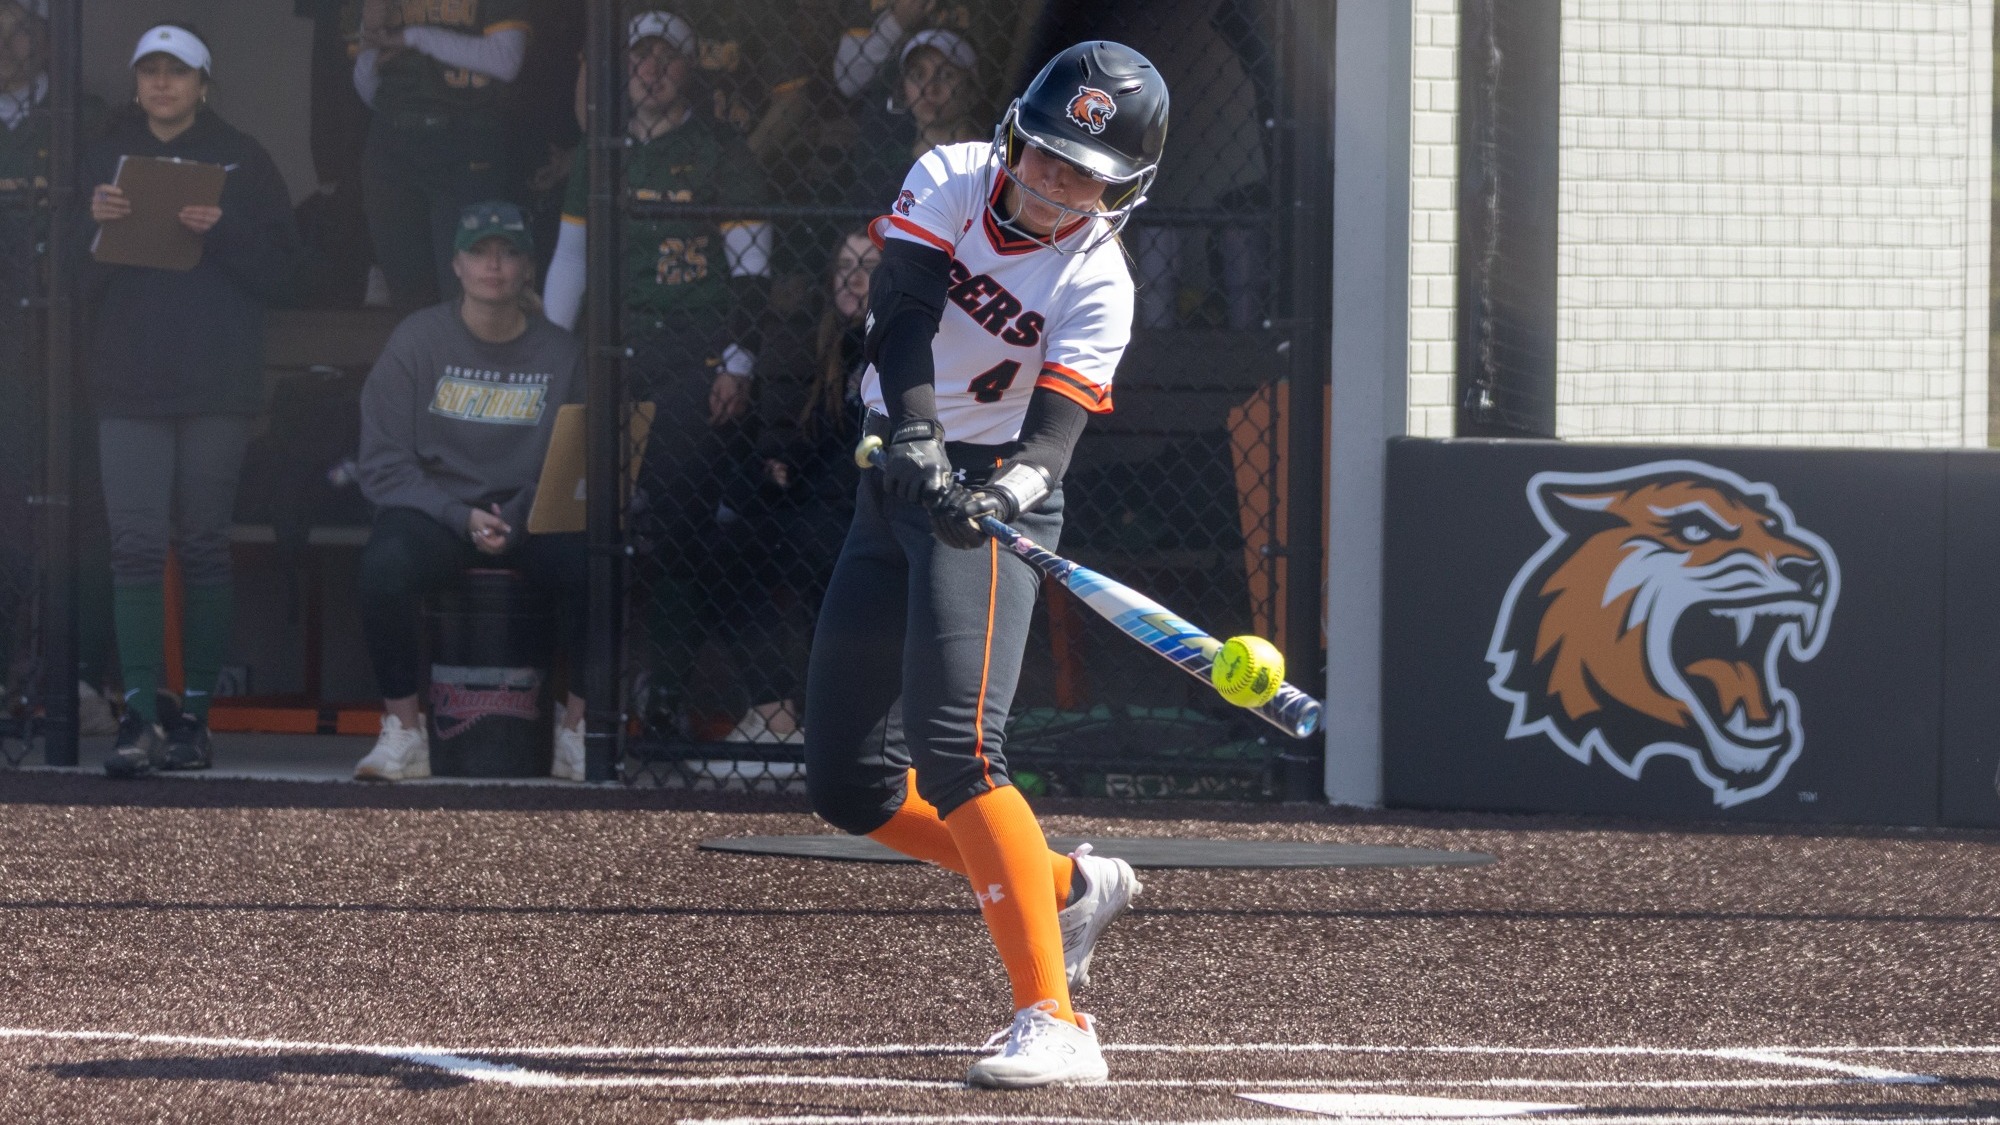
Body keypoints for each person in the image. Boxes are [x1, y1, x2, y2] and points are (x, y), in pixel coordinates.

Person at [801, 41, 1167, 1088]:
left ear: (1119, 188)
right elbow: (902, 317)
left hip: (994, 495)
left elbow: (1052, 439)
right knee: (850, 784)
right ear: (1014, 138)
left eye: (1080, 174)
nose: (1053, 184)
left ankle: (1053, 1021)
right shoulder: (952, 175)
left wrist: (998, 492)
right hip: (900, 474)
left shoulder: (1098, 281)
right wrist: (915, 440)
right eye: (1045, 157)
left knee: (961, 751)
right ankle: (1065, 885)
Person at [541, 10, 771, 737]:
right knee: (582, 525)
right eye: (639, 58)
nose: (651, 70)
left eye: (665, 59)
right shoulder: (597, 152)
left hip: (698, 360)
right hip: (613, 355)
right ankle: (584, 706)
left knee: (674, 527)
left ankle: (665, 692)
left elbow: (754, 269)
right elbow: (569, 263)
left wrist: (739, 360)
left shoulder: (722, 151)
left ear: (688, 68)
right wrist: (550, 361)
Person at [83, 24, 301, 777]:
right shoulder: (100, 155)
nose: (163, 84)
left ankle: (196, 722)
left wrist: (225, 231)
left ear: (205, 83)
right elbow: (61, 285)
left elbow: (285, 276)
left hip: (216, 383)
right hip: (129, 382)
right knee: (135, 546)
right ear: (137, 81)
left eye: (178, 71)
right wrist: (96, 227)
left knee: (205, 542)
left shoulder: (244, 156)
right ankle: (139, 717)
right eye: (150, 71)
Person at [350, 200, 588, 782]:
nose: (494, 266)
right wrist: (460, 517)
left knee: (599, 566)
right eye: (479, 253)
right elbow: (382, 464)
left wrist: (517, 514)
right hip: (439, 513)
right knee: (385, 564)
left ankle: (578, 733)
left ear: (529, 267)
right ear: (456, 265)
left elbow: (579, 463)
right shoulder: (416, 341)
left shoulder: (563, 353)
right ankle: (405, 732)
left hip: (530, 515)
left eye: (509, 253)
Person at [715, 228, 877, 743]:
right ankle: (775, 717)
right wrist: (778, 463)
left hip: (869, 509)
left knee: (821, 552)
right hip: (813, 504)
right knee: (731, 544)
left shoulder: (905, 340)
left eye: (871, 266)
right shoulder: (815, 338)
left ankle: (833, 726)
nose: (854, 278)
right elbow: (802, 434)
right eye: (845, 264)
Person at [352, 0, 530, 309]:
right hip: (393, 146)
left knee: (466, 296)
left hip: (466, 145)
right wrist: (370, 32)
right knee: (409, 298)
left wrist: (415, 38)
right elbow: (368, 88)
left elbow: (507, 60)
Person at [841, 28, 985, 211]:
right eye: (918, 75)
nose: (929, 88)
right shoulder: (885, 171)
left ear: (972, 90)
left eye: (947, 75)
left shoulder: (993, 166)